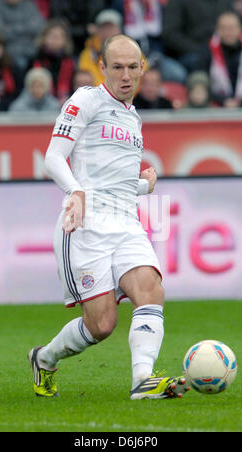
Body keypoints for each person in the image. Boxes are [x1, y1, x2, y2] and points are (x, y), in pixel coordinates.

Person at [28, 34, 190, 400]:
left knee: (151, 289)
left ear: (143, 67)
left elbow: (112, 183)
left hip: (125, 222)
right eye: (117, 67)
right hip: (85, 226)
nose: (126, 75)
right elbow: (53, 158)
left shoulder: (134, 118)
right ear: (102, 68)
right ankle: (45, 358)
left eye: (133, 67)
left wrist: (143, 188)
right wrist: (75, 191)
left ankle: (142, 381)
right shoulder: (86, 100)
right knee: (102, 325)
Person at [198, 11, 242, 108]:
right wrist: (223, 101)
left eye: (232, 28)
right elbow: (201, 82)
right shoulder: (207, 51)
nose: (228, 32)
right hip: (216, 105)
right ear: (217, 30)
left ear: (240, 29)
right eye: (224, 28)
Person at [163, 0, 234, 72]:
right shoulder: (179, 2)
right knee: (199, 63)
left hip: (223, 51)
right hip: (189, 53)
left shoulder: (225, 2)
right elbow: (169, 34)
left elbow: (236, 26)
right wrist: (200, 50)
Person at [0, 0, 45, 70]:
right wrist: (27, 26)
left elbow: (40, 26)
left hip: (32, 50)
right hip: (9, 52)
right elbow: (0, 33)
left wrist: (10, 27)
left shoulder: (30, 4)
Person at [30, 19, 75, 104]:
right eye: (52, 35)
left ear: (65, 41)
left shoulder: (69, 62)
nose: (55, 39)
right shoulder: (35, 60)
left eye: (59, 37)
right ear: (44, 38)